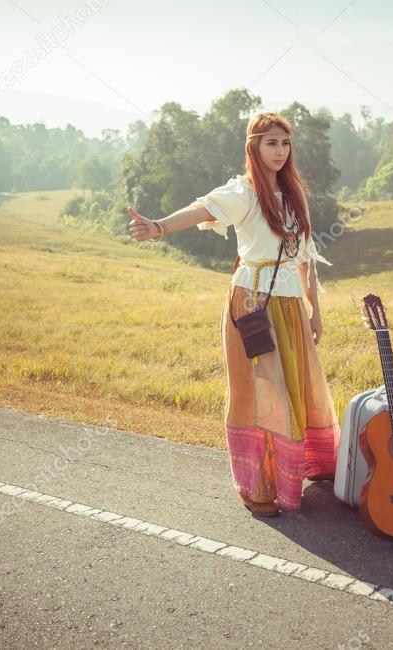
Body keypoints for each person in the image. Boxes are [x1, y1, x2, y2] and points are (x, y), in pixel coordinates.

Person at [127, 112, 341, 518]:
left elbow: (305, 260)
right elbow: (201, 210)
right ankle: (255, 483)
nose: (279, 151)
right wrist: (158, 227)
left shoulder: (294, 192)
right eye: (270, 143)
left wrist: (315, 312)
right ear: (253, 147)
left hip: (291, 304)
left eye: (284, 143)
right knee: (260, 390)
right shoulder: (242, 192)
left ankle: (303, 465)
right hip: (252, 302)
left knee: (297, 383)